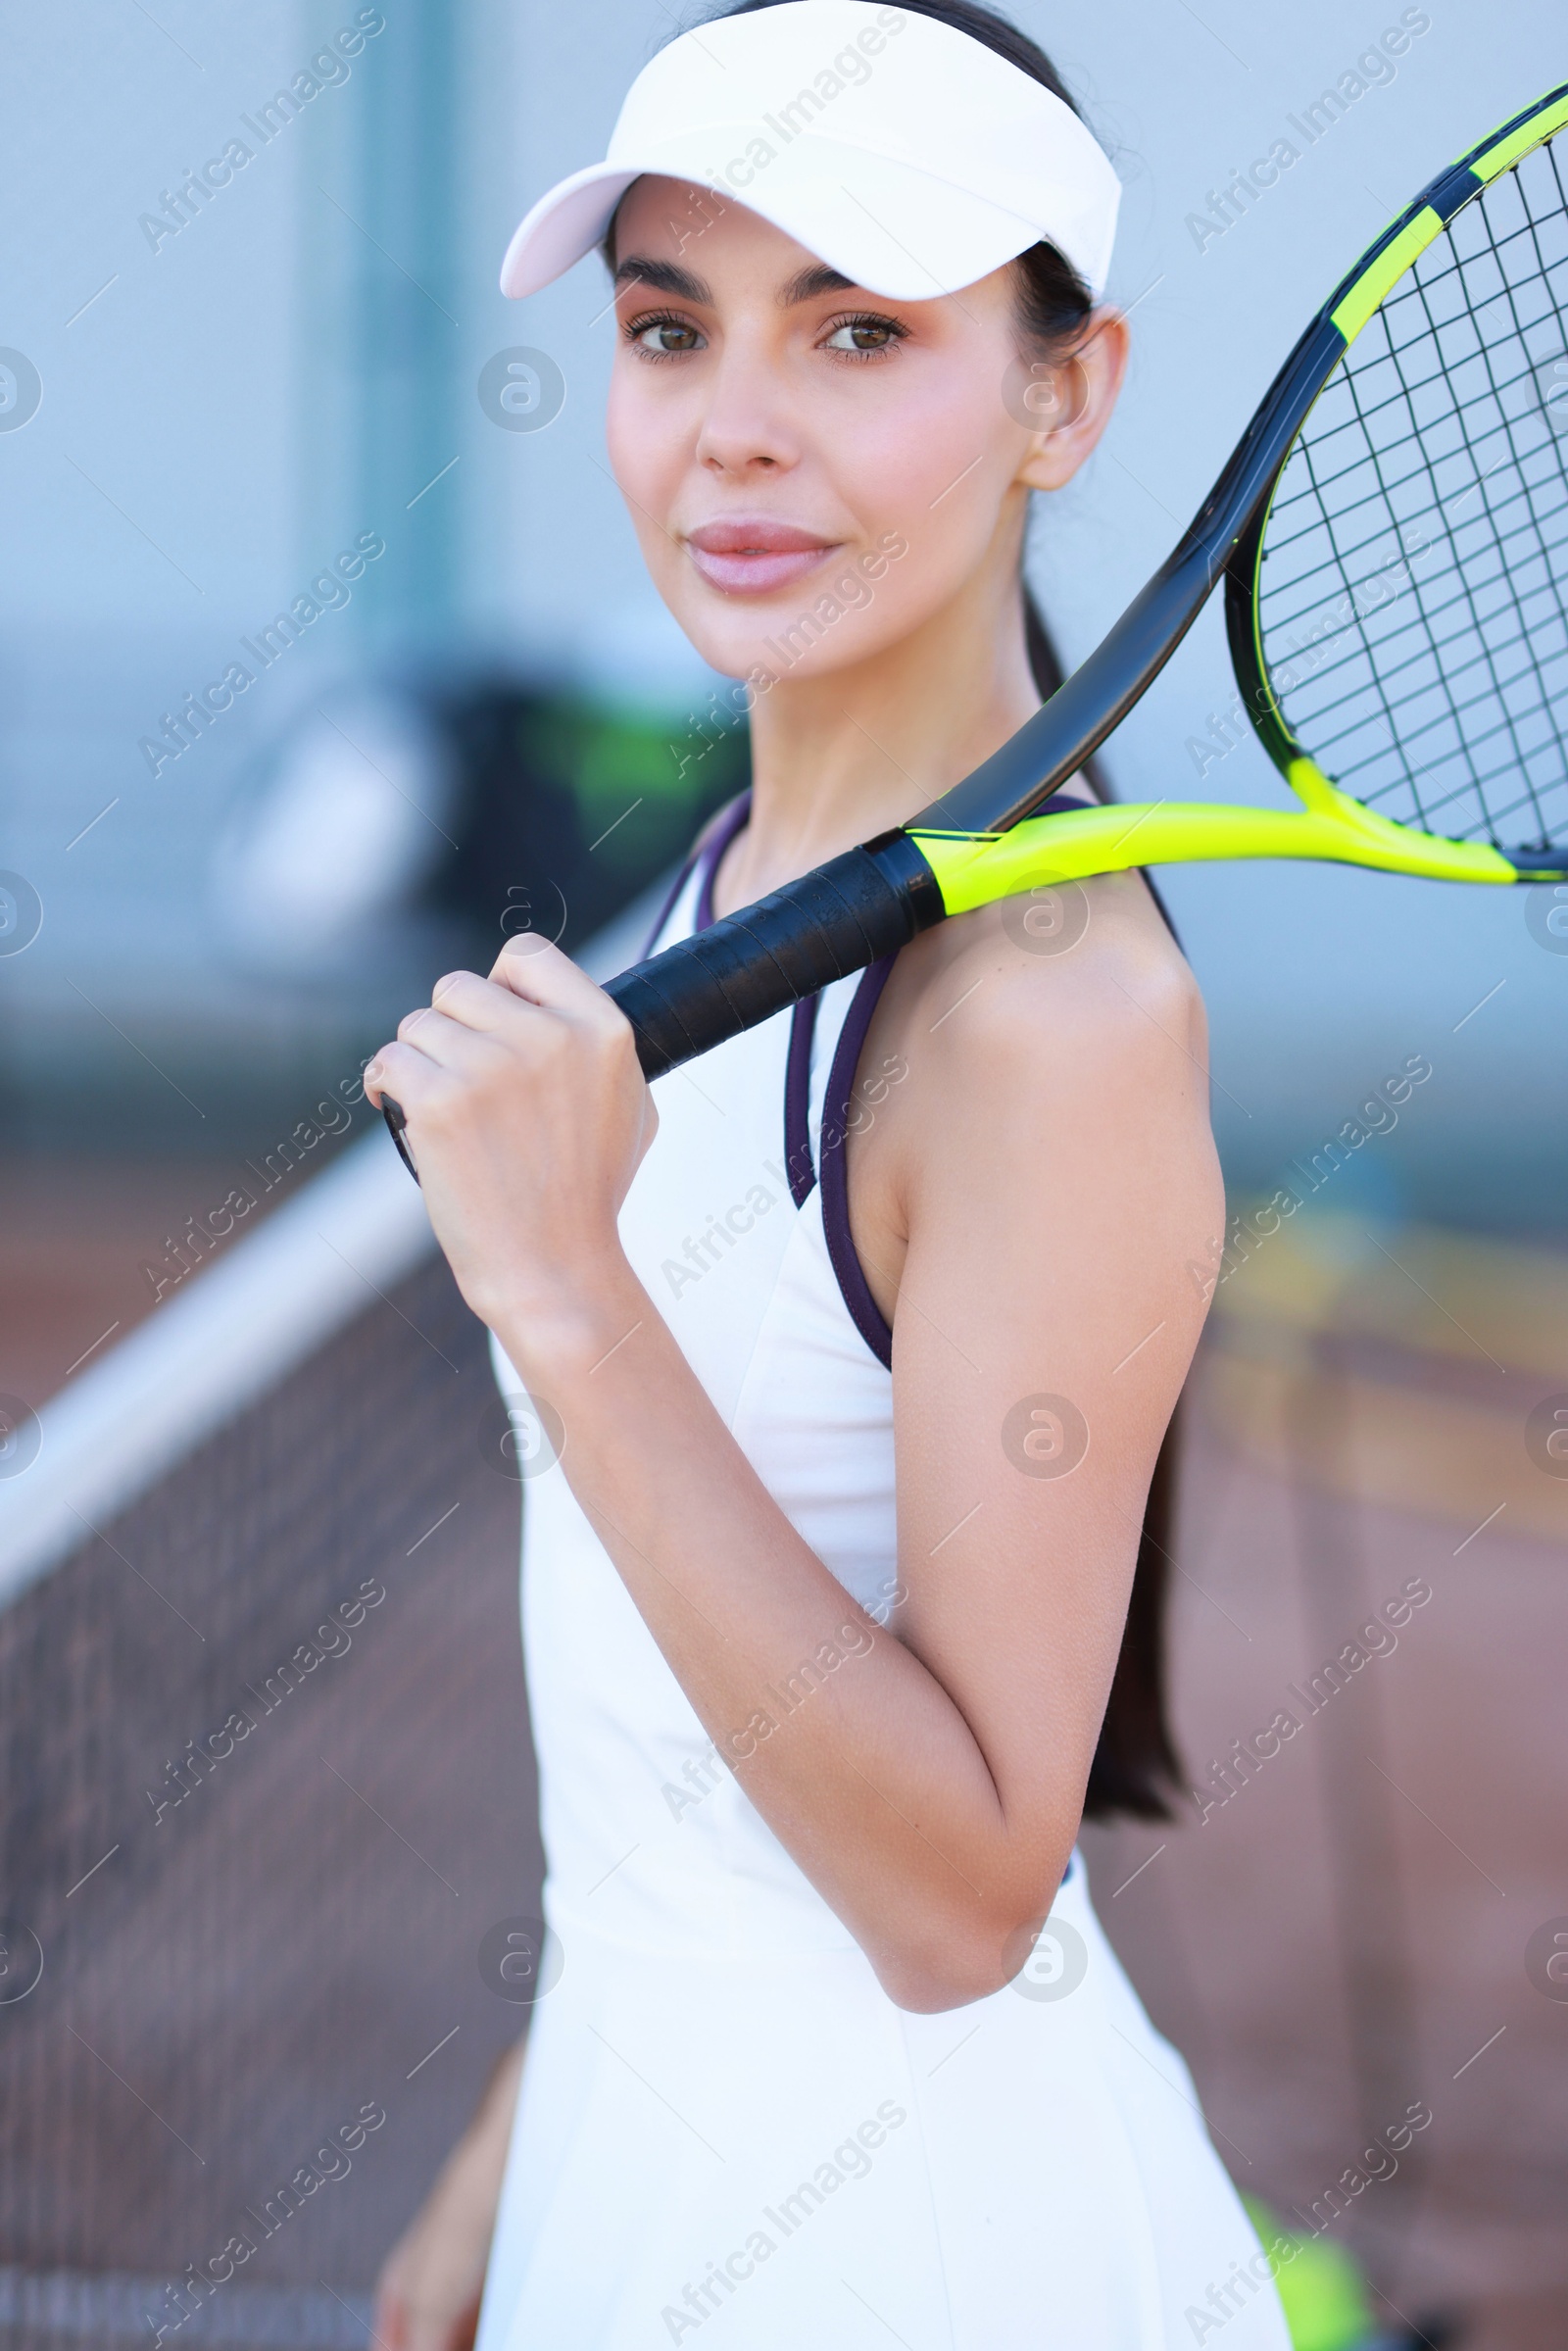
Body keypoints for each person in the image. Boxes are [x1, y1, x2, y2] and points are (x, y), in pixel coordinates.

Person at [366, 3, 1291, 2343]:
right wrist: (516, 2146)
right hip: (641, 2160)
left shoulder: (1055, 1022)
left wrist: (566, 1299)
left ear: (1058, 400)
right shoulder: (726, 870)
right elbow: (659, 1707)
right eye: (668, 330)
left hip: (907, 2251)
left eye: (857, 329)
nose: (731, 430)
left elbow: (962, 1898)